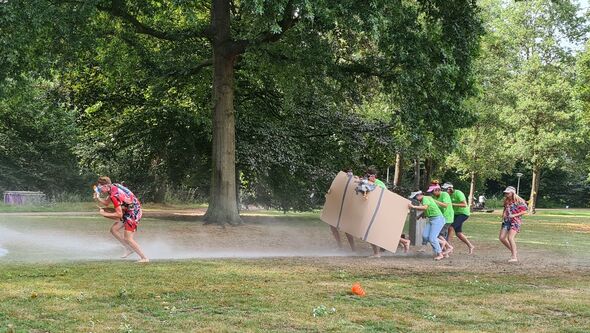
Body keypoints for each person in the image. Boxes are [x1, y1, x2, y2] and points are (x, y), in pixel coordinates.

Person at [94, 176, 149, 263]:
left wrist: (104, 214)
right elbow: (107, 203)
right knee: (114, 229)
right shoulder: (113, 187)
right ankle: (129, 249)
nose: (99, 190)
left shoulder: (114, 195)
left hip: (134, 212)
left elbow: (119, 214)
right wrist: (98, 198)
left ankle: (144, 258)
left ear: (106, 186)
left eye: (100, 187)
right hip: (129, 209)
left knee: (128, 238)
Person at [365, 168, 410, 257]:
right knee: (375, 233)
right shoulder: (372, 183)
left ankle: (378, 253)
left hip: (382, 212)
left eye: (368, 176)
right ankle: (402, 242)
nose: (367, 178)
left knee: (374, 233)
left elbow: (383, 198)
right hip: (378, 211)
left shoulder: (378, 184)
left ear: (373, 176)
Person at [408, 190, 446, 260]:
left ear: (419, 195)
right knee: (425, 236)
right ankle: (442, 242)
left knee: (432, 238)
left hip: (438, 219)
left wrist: (413, 206)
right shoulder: (424, 199)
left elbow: (425, 207)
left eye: (415, 198)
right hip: (431, 219)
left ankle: (440, 254)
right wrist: (419, 216)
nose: (415, 199)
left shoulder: (425, 198)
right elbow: (427, 209)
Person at [442, 182, 475, 254]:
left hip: (463, 213)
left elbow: (464, 204)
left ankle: (447, 246)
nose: (444, 191)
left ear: (450, 188)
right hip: (455, 214)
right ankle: (471, 246)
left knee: (451, 227)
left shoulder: (458, 193)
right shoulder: (447, 195)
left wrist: (452, 204)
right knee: (458, 233)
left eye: (445, 189)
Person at [499, 186, 528, 262]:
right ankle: (513, 251)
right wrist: (504, 214)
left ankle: (514, 257)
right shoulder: (506, 200)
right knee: (502, 238)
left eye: (508, 193)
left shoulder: (519, 200)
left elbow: (525, 211)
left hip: (515, 221)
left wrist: (514, 215)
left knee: (510, 238)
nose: (506, 194)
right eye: (505, 193)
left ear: (512, 193)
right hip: (506, 221)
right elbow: (505, 208)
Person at [429, 184, 454, 257]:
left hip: (447, 218)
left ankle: (448, 248)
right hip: (440, 218)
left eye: (432, 191)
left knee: (439, 234)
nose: (432, 193)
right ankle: (445, 251)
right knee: (440, 235)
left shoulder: (445, 194)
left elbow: (445, 205)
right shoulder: (435, 196)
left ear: (437, 190)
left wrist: (434, 201)